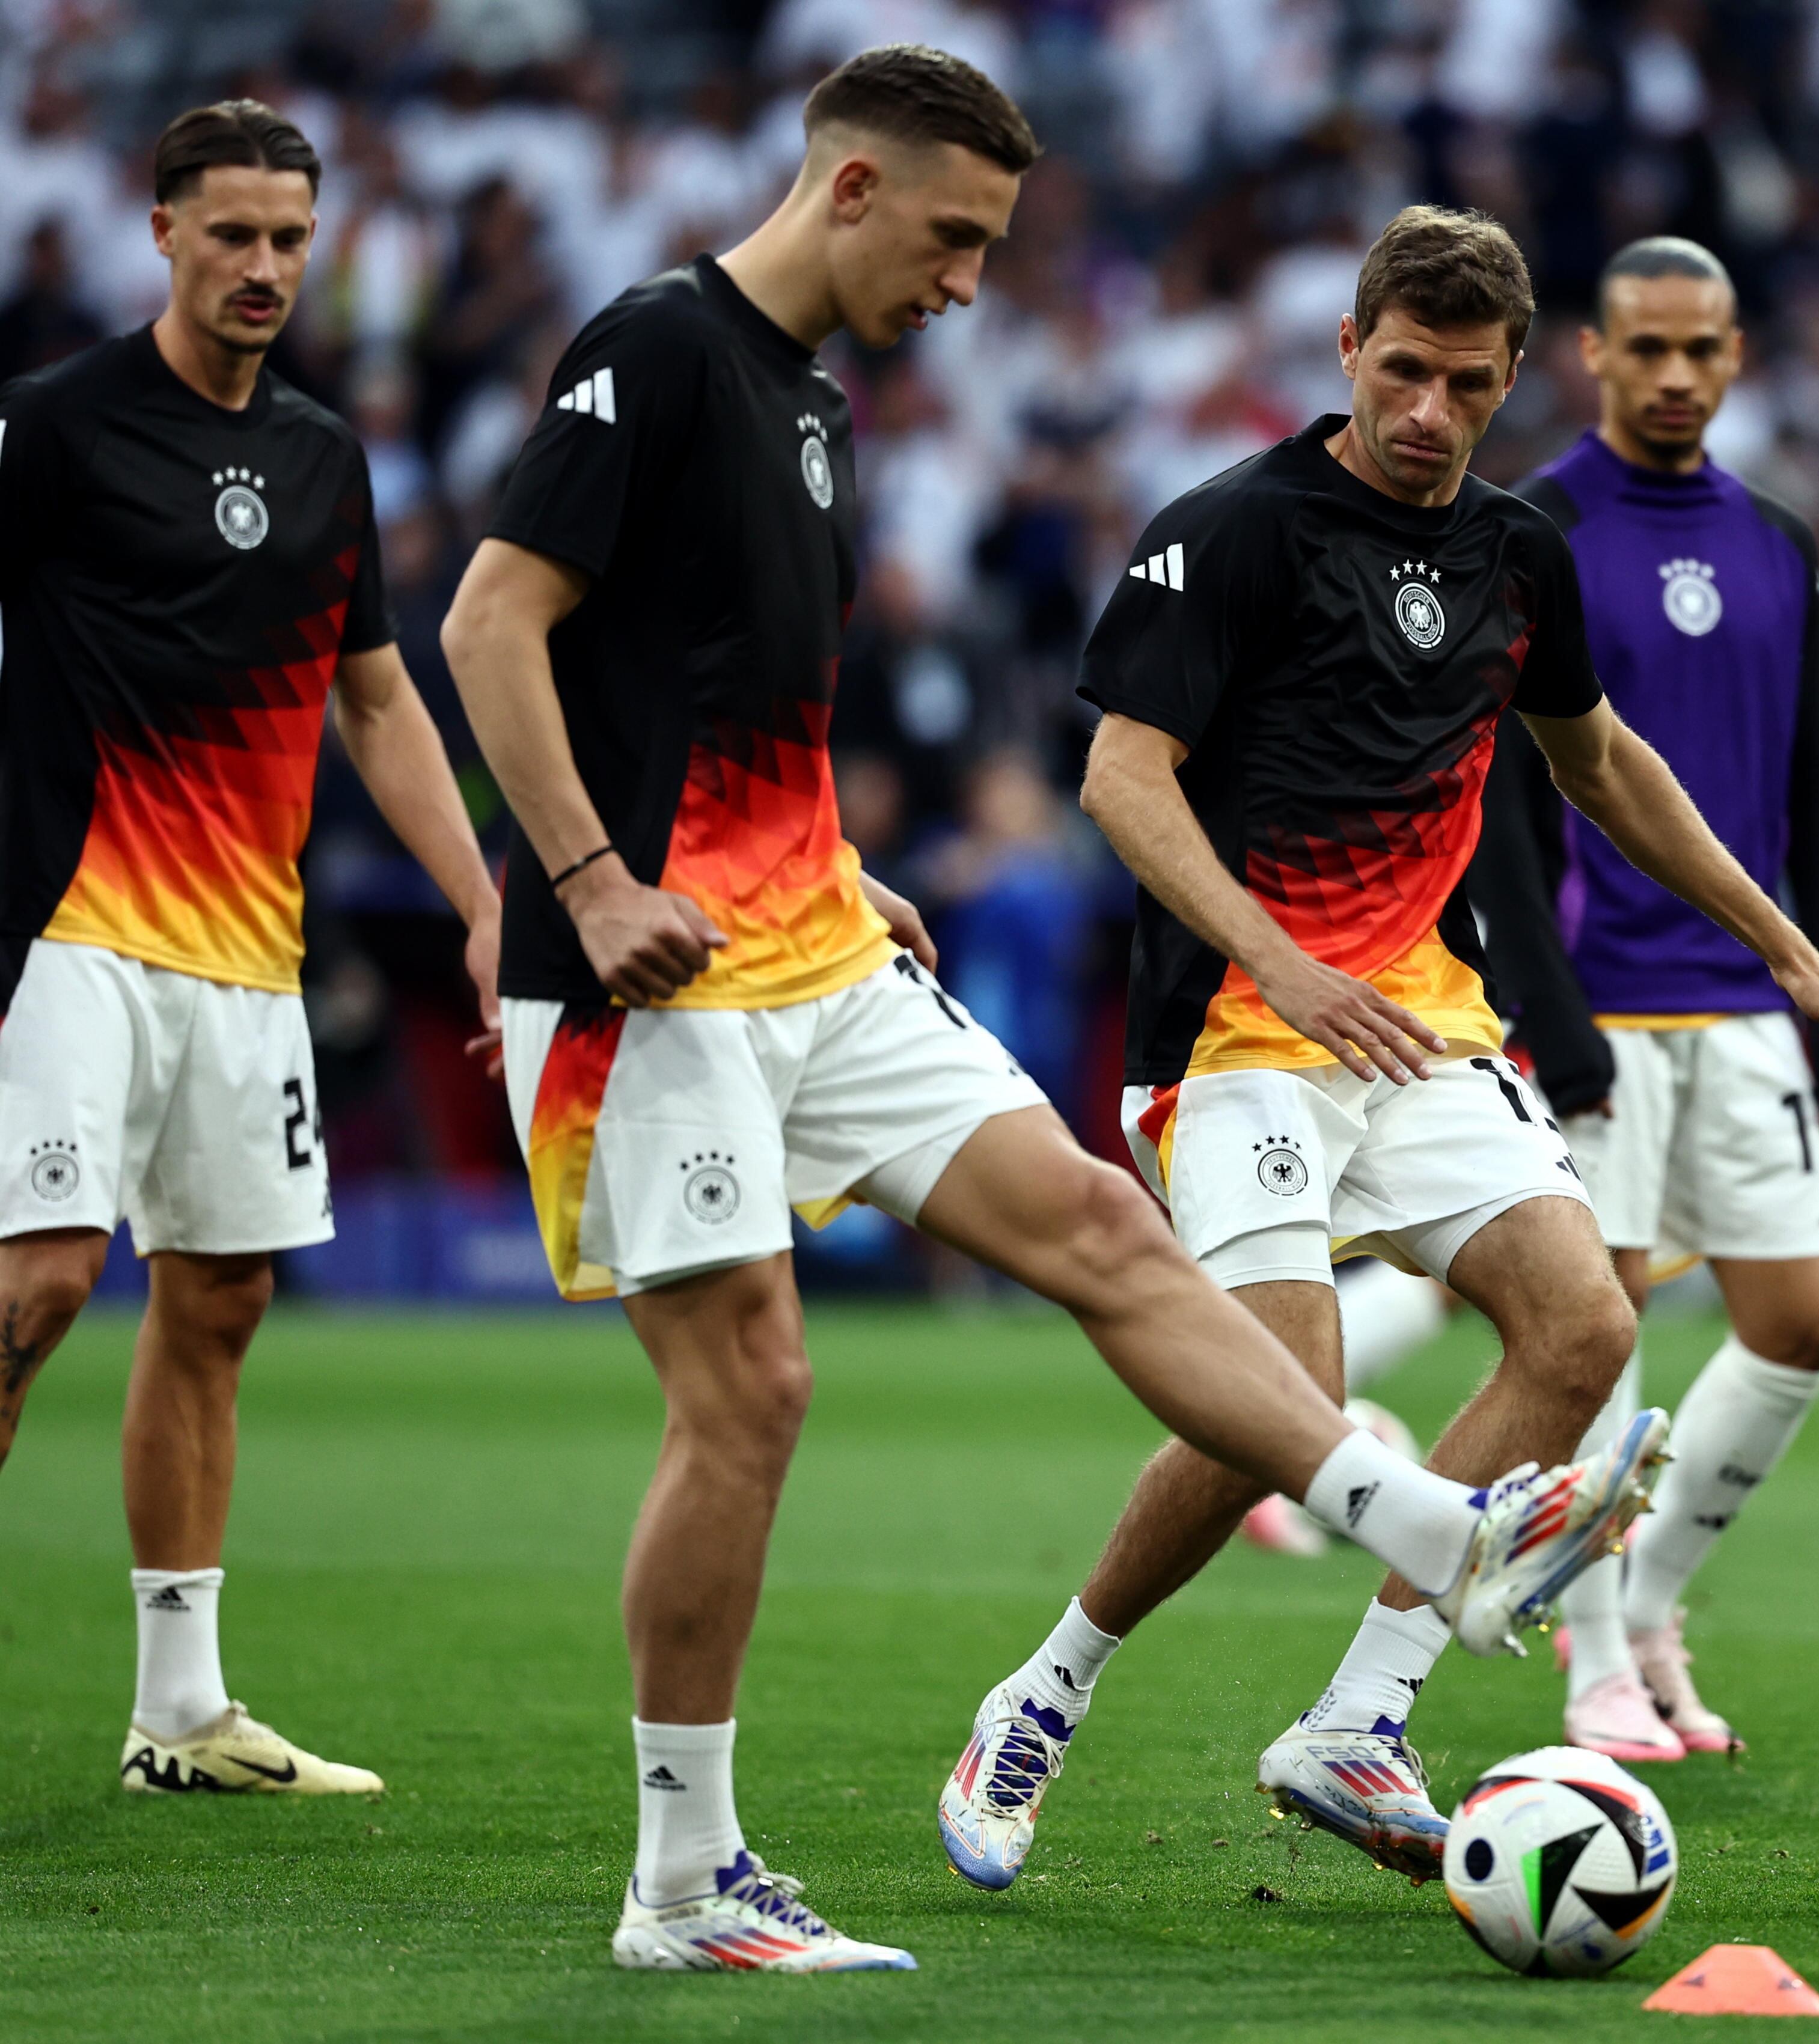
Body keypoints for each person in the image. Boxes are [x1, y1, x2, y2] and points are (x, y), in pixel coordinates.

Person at [442, 54, 1631, 1977]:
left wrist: (834, 864)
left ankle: (1426, 1534)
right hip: (639, 967)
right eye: (954, 235)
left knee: (1095, 1224)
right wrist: (585, 879)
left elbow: (725, 701)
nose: (972, 282)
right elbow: (494, 618)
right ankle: (683, 1887)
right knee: (753, 1390)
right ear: (849, 186)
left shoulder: (812, 405)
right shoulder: (662, 343)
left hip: (812, 941)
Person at [936, 207, 1819, 1893]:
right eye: (1401, 373)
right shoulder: (1230, 531)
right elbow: (1121, 782)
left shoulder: (1521, 555)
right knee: (1277, 1399)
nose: (1429, 412)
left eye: (1464, 382)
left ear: (1516, 376)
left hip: (1425, 1027)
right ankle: (1042, 1694)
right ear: (1348, 352)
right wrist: (1284, 965)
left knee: (1585, 1326)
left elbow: (1604, 766)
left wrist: (1796, 952)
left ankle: (1360, 1719)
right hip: (1238, 1031)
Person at [0, 102, 500, 1798]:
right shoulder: (53, 430)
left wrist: (485, 897)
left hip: (243, 950)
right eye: (232, 234)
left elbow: (376, 695)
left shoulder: (323, 457)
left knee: (217, 1299)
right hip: (68, 917)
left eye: (291, 237)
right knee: (40, 1281)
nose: (266, 267)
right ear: (161, 233)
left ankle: (181, 1712)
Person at [1461, 235, 1819, 1765]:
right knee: (1600, 1328)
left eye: (1702, 349)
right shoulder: (1537, 524)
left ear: (1738, 353)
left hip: (1747, 1004)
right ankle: (1591, 1675)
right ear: (1593, 352)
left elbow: (1812, 785)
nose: (1677, 376)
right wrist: (1546, 1013)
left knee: (1800, 1322)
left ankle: (1648, 1609)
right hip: (1603, 1005)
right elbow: (1498, 802)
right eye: (1648, 349)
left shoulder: (1777, 536)